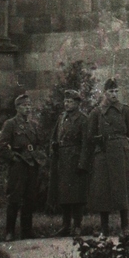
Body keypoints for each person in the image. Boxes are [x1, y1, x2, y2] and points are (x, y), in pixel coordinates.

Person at [83, 77, 129, 235]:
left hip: (121, 153)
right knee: (103, 190)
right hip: (103, 154)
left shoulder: (126, 110)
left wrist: (126, 148)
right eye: (110, 91)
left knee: (122, 188)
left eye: (116, 91)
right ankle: (104, 227)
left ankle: (125, 226)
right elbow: (90, 135)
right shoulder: (97, 112)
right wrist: (98, 144)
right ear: (104, 93)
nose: (114, 94)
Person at [0, 91, 45, 239]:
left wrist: (40, 158)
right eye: (24, 106)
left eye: (29, 105)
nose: (28, 108)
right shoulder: (10, 124)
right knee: (15, 198)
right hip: (18, 165)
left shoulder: (33, 125)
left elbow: (39, 144)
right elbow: (1, 147)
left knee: (30, 198)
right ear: (17, 108)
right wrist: (13, 158)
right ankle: (9, 232)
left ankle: (27, 232)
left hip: (32, 164)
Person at [48, 87, 89, 236]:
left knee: (77, 195)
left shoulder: (83, 119)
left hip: (75, 160)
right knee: (64, 194)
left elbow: (86, 143)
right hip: (63, 160)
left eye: (70, 101)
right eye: (65, 101)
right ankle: (65, 225)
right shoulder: (61, 118)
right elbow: (54, 137)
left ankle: (77, 225)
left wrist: (83, 162)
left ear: (77, 103)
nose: (67, 104)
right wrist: (53, 151)